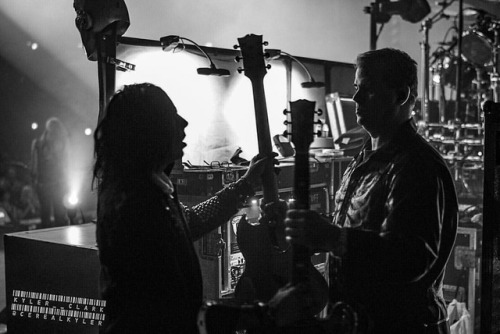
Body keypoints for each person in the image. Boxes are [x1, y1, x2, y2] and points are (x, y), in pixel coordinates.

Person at [283, 48, 458, 333]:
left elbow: (411, 258)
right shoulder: (365, 158)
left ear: (401, 95)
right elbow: (360, 229)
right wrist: (306, 229)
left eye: (368, 90)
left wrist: (332, 237)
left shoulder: (416, 165)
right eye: (356, 89)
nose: (356, 98)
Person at [92, 83, 272, 334]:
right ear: (148, 130)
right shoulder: (135, 206)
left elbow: (191, 220)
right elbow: (169, 311)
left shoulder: (146, 189)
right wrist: (259, 316)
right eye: (171, 116)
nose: (184, 123)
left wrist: (245, 184)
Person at [30, 117, 70, 228]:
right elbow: (34, 165)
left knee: (58, 213)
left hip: (56, 183)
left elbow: (65, 163)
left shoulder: (60, 143)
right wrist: (34, 182)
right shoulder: (37, 144)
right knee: (47, 213)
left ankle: (60, 238)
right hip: (45, 183)